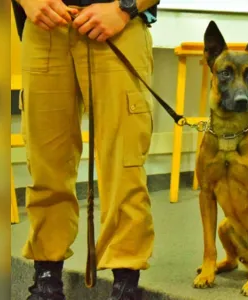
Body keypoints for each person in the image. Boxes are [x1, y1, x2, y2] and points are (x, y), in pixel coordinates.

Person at [13, 0, 160, 299]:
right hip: (45, 27)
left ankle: (125, 287)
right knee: (45, 164)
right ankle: (46, 284)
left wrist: (125, 8)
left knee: (124, 166)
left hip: (118, 25)